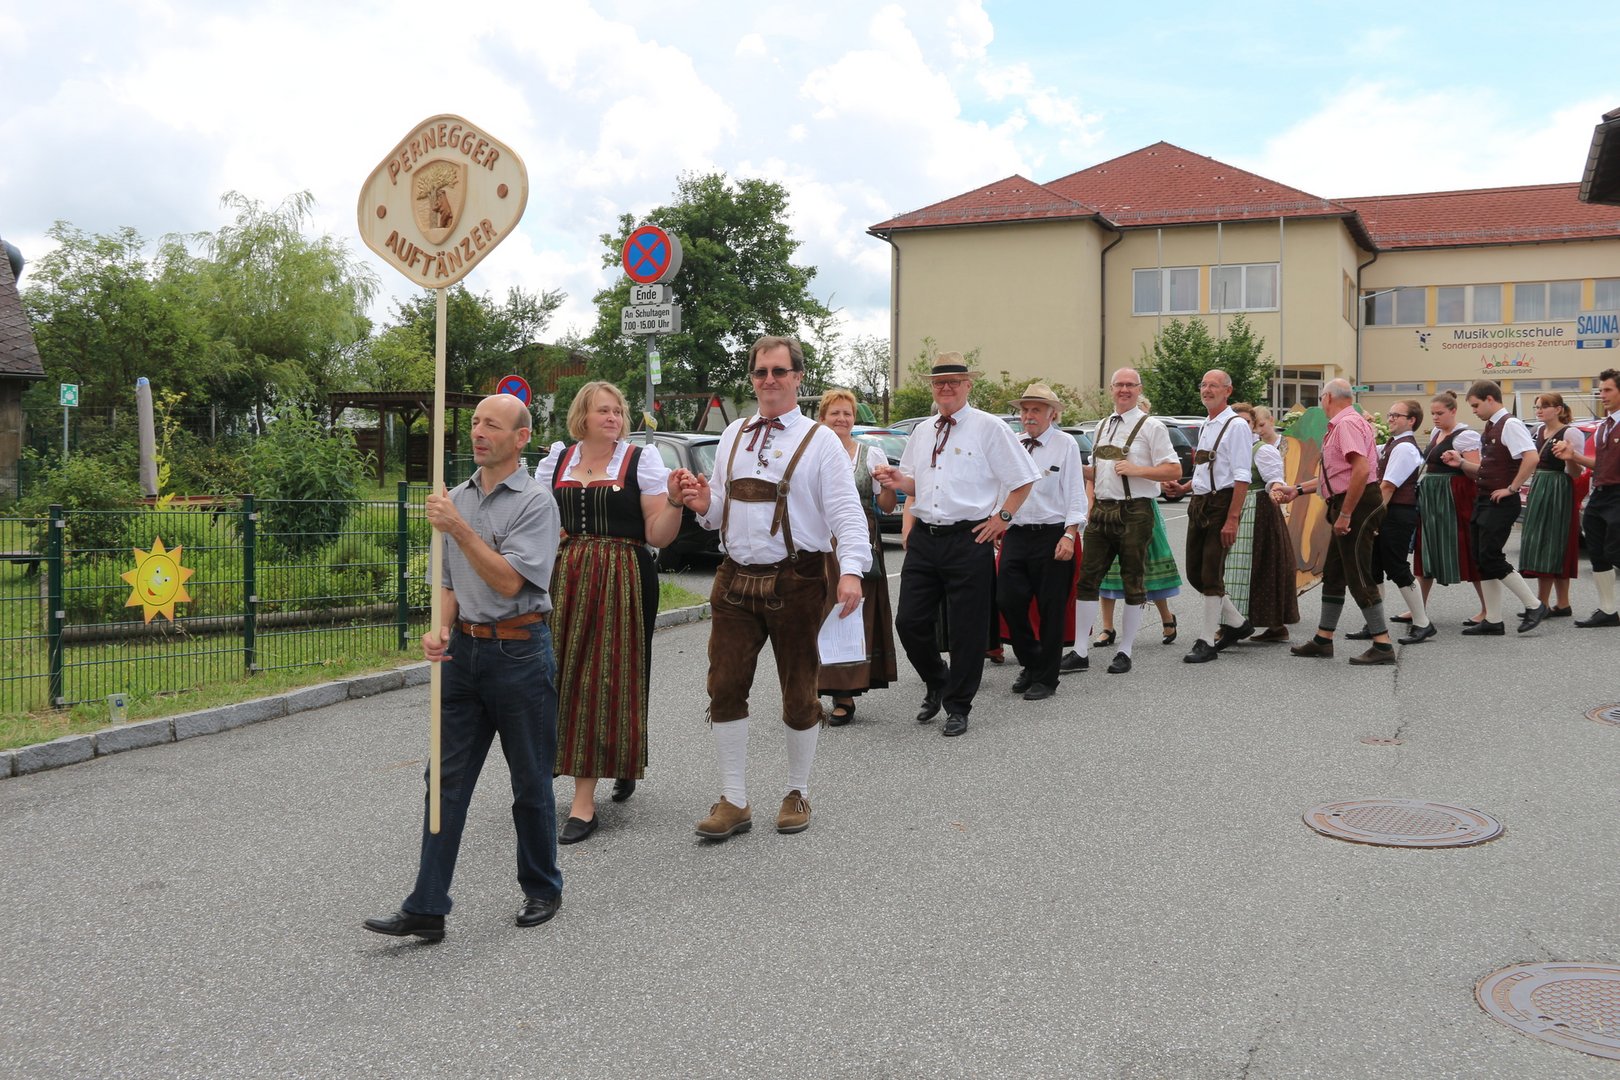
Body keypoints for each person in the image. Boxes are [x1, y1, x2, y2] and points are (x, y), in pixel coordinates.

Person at [364, 394, 563, 941]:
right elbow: (449, 582)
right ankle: (428, 906)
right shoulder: (454, 498)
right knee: (444, 782)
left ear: (520, 438)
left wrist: (459, 529)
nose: (478, 432)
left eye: (492, 425)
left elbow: (510, 582)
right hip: (464, 656)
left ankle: (543, 887)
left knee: (530, 781)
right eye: (475, 422)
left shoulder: (536, 503)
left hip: (520, 654)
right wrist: (441, 627)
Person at [672, 336, 869, 840]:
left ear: (798, 378)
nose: (769, 380)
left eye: (779, 371)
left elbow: (846, 512)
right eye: (761, 372)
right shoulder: (733, 433)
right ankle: (734, 799)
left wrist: (851, 570)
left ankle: (797, 791)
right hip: (734, 577)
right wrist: (702, 503)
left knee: (799, 690)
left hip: (797, 578)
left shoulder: (821, 440)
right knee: (724, 686)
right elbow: (719, 509)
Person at [544, 381, 684, 844]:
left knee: (604, 677)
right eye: (603, 410)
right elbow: (542, 524)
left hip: (622, 576)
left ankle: (584, 804)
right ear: (581, 416)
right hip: (567, 579)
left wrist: (675, 502)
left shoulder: (641, 461)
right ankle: (607, 759)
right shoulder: (557, 460)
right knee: (560, 675)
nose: (613, 418)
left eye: (618, 411)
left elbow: (658, 535)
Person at [874, 352, 1041, 737]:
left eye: (953, 381)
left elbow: (1024, 479)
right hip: (925, 539)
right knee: (909, 622)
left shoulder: (988, 427)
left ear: (968, 385)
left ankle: (958, 705)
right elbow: (917, 483)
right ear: (932, 388)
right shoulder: (922, 431)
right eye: (939, 382)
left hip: (968, 539)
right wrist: (899, 480)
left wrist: (1002, 518)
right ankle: (938, 679)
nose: (946, 387)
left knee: (967, 629)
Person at [1064, 368, 1180, 675]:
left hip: (1135, 511)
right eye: (1119, 385)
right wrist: (1069, 466)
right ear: (1111, 389)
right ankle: (1079, 650)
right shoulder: (1102, 426)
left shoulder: (1151, 426)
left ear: (1139, 389)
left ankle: (1125, 651)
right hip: (1102, 511)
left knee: (1132, 580)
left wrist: (1137, 470)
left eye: (1130, 385)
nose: (1124, 390)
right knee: (1087, 580)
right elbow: (1096, 471)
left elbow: (1174, 470)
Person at [1277, 380, 1395, 665]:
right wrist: (1297, 490)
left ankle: (1382, 644)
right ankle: (1323, 639)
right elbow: (1337, 475)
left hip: (1356, 504)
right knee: (1334, 573)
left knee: (1358, 573)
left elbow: (1360, 471)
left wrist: (1345, 514)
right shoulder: (1347, 423)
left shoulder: (1345, 424)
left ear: (1328, 397)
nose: (1321, 402)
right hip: (1349, 501)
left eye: (1321, 397)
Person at [996, 383, 1087, 701]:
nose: (1028, 415)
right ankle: (1032, 661)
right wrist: (997, 521)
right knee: (1007, 600)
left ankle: (1046, 678)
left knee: (1051, 609)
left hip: (1052, 534)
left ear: (1052, 414)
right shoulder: (1014, 443)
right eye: (1024, 410)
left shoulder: (1065, 444)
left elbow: (1075, 491)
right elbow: (1002, 486)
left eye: (1036, 409)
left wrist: (1070, 534)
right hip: (1017, 533)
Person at [815, 388, 898, 724]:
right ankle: (807, 686)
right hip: (818, 542)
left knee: (850, 614)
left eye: (847, 413)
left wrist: (888, 484)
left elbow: (887, 507)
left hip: (859, 541)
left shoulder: (870, 453)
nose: (842, 419)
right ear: (822, 418)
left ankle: (844, 694)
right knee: (814, 613)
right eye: (835, 413)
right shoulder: (812, 452)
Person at [1162, 370, 1255, 662]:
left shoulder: (1236, 426)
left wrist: (1232, 518)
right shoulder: (1206, 424)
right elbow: (1206, 468)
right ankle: (1238, 624)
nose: (1207, 389)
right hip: (1200, 502)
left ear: (1228, 391)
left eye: (1213, 385)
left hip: (1221, 504)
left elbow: (1241, 476)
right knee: (1195, 574)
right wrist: (1185, 487)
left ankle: (1206, 640)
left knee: (1212, 574)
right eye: (1203, 385)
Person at [1441, 379, 1547, 634]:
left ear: (1490, 399)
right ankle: (1493, 620)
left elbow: (1532, 457)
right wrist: (1461, 463)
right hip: (1485, 498)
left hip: (1501, 501)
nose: (1474, 411)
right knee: (1481, 558)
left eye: (1476, 405)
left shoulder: (1510, 424)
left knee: (1490, 555)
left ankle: (1534, 605)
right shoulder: (1491, 426)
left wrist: (1512, 488)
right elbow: (1489, 468)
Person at [1347, 400, 1434, 643]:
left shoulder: (1405, 447)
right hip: (1387, 512)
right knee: (1374, 568)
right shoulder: (1392, 444)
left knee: (1397, 567)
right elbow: (1366, 453)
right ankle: (1374, 624)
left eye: (1397, 415)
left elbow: (1387, 487)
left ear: (1411, 420)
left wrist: (1372, 519)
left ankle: (1422, 622)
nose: (1391, 418)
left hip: (1396, 513)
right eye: (1390, 414)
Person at [1406, 391, 1485, 624]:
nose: (1435, 417)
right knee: (1425, 549)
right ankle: (1418, 608)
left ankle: (1487, 608)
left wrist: (1460, 462)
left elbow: (1477, 470)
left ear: (1453, 411)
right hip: (1432, 498)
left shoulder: (1465, 435)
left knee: (1468, 548)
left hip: (1455, 496)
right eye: (1433, 413)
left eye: (1440, 413)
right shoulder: (1436, 433)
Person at [1223, 402, 1298, 643]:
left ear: (1254, 426)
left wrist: (1275, 488)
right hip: (1234, 508)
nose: (1240, 426)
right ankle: (1235, 623)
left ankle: (1269, 626)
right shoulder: (1228, 449)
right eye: (1236, 422)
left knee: (1259, 566)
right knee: (1232, 567)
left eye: (1246, 422)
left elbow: (1275, 478)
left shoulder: (1262, 450)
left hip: (1259, 512)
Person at [1553, 367, 1620, 627]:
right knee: (1598, 553)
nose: (1602, 394)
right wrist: (1574, 456)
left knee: (1615, 551)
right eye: (1600, 390)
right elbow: (1600, 464)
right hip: (1600, 495)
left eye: (1608, 390)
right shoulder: (1605, 426)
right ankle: (1608, 611)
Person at [1520, 392, 1589, 617]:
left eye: (1544, 406)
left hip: (1558, 489)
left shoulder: (1570, 432)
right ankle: (1560, 604)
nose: (1539, 410)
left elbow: (1576, 472)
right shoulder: (1539, 430)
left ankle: (1544, 603)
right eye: (1537, 407)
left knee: (1554, 543)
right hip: (1540, 486)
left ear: (1558, 409)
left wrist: (1568, 456)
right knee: (1543, 541)